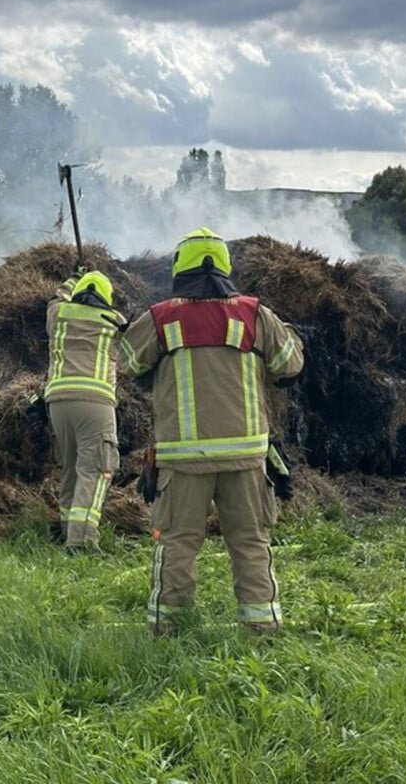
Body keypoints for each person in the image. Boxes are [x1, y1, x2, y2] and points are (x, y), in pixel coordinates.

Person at [119, 228, 304, 635]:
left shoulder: (162, 317)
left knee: (178, 544)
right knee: (251, 544)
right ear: (225, 266)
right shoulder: (254, 314)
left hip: (184, 462)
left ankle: (169, 631)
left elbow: (127, 362)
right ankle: (262, 631)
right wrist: (278, 330)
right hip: (246, 459)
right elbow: (291, 364)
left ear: (179, 268)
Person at [44, 269, 127, 552]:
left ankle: (68, 530)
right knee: (96, 470)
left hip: (58, 403)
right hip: (95, 403)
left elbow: (57, 296)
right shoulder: (113, 322)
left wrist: (72, 278)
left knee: (71, 470)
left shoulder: (58, 315)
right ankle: (81, 544)